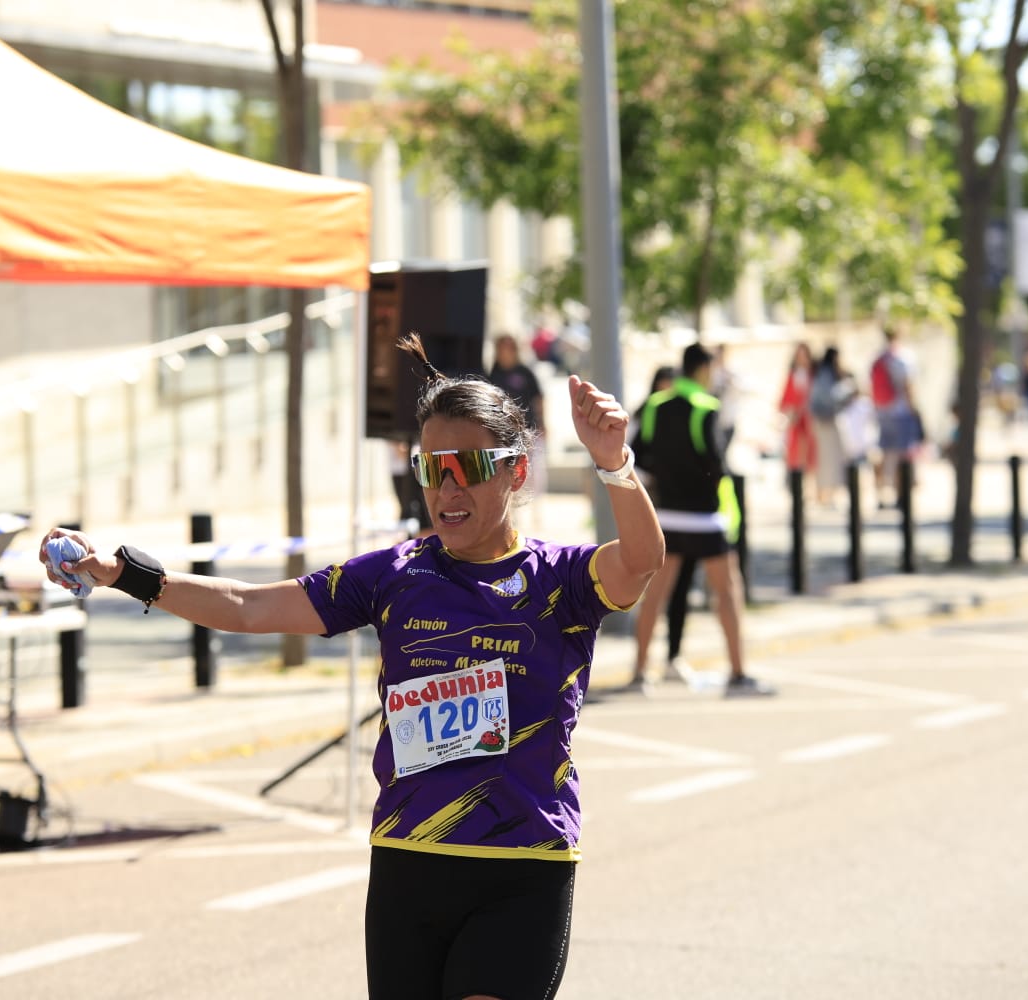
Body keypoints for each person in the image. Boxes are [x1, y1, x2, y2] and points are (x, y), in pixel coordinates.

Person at [40, 333, 663, 1000]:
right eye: (431, 468)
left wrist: (614, 464)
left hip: (522, 870)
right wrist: (122, 574)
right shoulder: (397, 573)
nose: (447, 486)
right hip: (408, 864)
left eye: (469, 466)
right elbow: (250, 607)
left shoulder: (557, 578)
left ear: (515, 471)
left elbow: (640, 560)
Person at [628, 344, 774, 698]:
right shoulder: (705, 408)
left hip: (666, 516)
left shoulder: (655, 406)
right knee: (727, 593)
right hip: (704, 517)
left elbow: (642, 456)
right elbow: (717, 464)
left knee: (654, 596)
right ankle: (738, 674)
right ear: (704, 370)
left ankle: (639, 673)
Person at [631, 366, 695, 682]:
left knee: (680, 589)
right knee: (653, 590)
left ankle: (672, 656)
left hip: (678, 513)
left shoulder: (683, 414)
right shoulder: (648, 414)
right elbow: (631, 461)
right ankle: (641, 666)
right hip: (656, 513)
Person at [486, 332, 546, 498]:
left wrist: (543, 423)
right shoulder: (493, 375)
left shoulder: (525, 372)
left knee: (535, 471)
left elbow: (538, 398)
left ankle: (536, 509)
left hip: (528, 428)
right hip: (504, 432)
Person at [869, 326, 920, 509]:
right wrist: (915, 410)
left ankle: (880, 494)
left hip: (882, 412)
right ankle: (900, 493)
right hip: (900, 413)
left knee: (883, 454)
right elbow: (908, 387)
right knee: (901, 455)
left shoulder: (877, 359)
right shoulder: (903, 358)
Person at [807, 346, 850, 506]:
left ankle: (827, 493)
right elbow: (830, 397)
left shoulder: (823, 373)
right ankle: (826, 494)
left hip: (824, 420)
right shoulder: (826, 374)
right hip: (825, 421)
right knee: (828, 459)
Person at [777, 342, 816, 483]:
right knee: (796, 455)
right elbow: (784, 400)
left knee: (811, 455)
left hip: (810, 421)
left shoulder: (813, 375)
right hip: (796, 421)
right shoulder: (792, 375)